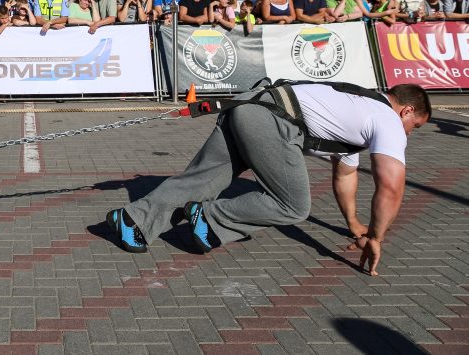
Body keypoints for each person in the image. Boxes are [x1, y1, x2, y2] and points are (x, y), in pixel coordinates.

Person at [106, 81, 431, 280]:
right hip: (272, 120)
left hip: (252, 105)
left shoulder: (361, 107)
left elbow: (345, 174)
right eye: (414, 126)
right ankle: (208, 218)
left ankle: (133, 220)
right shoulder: (387, 119)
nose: (409, 134)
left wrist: (355, 223)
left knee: (203, 180)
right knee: (293, 205)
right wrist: (377, 237)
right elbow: (391, 185)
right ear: (406, 110)